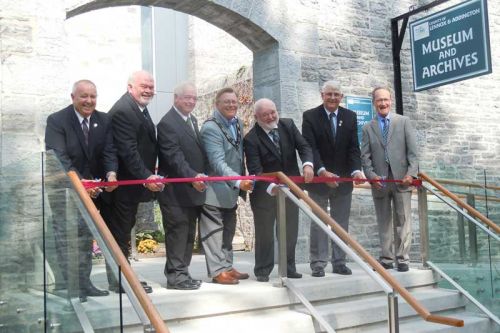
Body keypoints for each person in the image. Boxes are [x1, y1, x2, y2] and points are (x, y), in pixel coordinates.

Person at [45, 79, 117, 301]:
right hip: (64, 191)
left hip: (92, 192)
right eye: (84, 96)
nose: (89, 101)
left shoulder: (103, 120)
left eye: (93, 96)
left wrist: (111, 173)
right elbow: (59, 157)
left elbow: (109, 151)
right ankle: (68, 286)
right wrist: (82, 183)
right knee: (66, 240)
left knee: (86, 239)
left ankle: (84, 284)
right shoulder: (57, 120)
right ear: (73, 97)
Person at [244, 98, 314, 282]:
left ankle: (288, 267)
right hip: (265, 194)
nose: (270, 117)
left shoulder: (287, 125)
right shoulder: (250, 139)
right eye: (265, 114)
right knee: (265, 234)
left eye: (273, 112)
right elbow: (255, 169)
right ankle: (262, 270)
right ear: (256, 117)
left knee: (289, 232)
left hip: (291, 191)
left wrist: (307, 164)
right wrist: (272, 186)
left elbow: (304, 146)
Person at [107, 70, 163, 293]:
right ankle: (121, 281)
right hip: (123, 186)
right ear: (130, 87)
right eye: (143, 86)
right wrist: (146, 176)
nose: (148, 90)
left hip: (132, 186)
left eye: (151, 86)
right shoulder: (123, 111)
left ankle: (125, 278)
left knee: (124, 231)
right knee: (119, 233)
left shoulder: (139, 109)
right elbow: (128, 151)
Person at [302, 81, 364, 277]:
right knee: (319, 222)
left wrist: (356, 170)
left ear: (341, 97)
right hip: (320, 180)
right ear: (322, 95)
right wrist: (321, 171)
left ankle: (339, 262)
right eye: (329, 94)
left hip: (343, 181)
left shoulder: (350, 116)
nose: (332, 98)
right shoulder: (310, 116)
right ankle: (318, 264)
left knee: (341, 223)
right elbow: (310, 147)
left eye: (336, 94)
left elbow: (354, 147)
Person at [360, 87, 418, 272]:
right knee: (383, 221)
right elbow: (365, 157)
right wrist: (371, 175)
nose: (383, 103)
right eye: (379, 100)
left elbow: (413, 152)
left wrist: (411, 173)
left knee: (403, 220)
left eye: (386, 100)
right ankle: (386, 258)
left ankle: (402, 259)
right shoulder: (368, 127)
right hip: (380, 182)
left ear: (391, 100)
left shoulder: (403, 122)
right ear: (374, 103)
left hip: (402, 180)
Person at [199, 87, 253, 285]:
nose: (231, 105)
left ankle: (227, 267)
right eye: (226, 102)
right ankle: (216, 272)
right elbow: (217, 162)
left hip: (230, 191)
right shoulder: (210, 128)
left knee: (228, 231)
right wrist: (239, 180)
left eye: (234, 101)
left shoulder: (237, 122)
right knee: (214, 233)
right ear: (216, 105)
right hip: (214, 192)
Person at [157, 82, 207, 290]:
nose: (191, 101)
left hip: (192, 192)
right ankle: (175, 277)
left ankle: (182, 273)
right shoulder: (167, 123)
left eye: (194, 98)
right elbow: (174, 158)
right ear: (175, 98)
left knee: (188, 235)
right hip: (175, 192)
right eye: (187, 97)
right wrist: (193, 176)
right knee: (177, 234)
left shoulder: (192, 120)